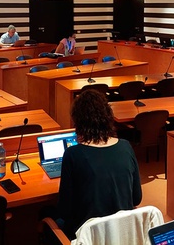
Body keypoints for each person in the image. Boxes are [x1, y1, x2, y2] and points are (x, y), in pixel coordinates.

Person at [57, 89, 142, 239]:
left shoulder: (73, 154)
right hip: (122, 234)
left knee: (47, 215)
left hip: (87, 236)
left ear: (77, 121)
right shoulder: (126, 146)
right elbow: (136, 198)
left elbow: (65, 210)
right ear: (108, 117)